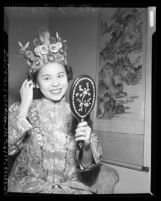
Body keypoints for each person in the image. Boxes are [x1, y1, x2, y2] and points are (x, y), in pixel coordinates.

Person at [8, 28, 102, 194]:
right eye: (47, 78)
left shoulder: (79, 111)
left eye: (60, 76)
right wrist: (24, 106)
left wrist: (86, 145)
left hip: (70, 188)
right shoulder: (23, 110)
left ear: (67, 76)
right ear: (35, 83)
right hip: (30, 186)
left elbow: (87, 169)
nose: (56, 83)